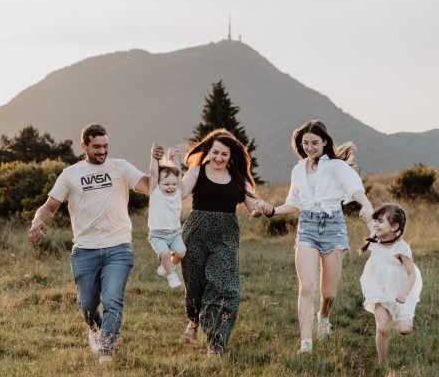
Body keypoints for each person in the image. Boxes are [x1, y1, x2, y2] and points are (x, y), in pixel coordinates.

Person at [29, 123, 152, 364]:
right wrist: (37, 221)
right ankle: (95, 329)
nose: (102, 151)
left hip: (118, 247)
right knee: (87, 305)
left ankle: (107, 347)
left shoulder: (120, 168)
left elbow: (149, 185)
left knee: (113, 298)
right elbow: (50, 206)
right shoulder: (71, 174)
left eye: (105, 146)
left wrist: (158, 163)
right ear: (84, 145)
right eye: (96, 147)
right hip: (85, 250)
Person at [258, 120, 374, 354]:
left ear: (324, 142)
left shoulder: (337, 167)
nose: (310, 147)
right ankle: (306, 342)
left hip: (333, 226)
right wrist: (272, 211)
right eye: (305, 143)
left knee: (328, 293)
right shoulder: (298, 170)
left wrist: (367, 205)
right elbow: (293, 203)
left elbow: (355, 189)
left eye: (314, 142)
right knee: (306, 286)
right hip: (308, 227)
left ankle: (323, 317)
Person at [178, 128, 263, 356]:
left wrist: (260, 209)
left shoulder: (238, 178)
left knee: (224, 286)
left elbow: (252, 206)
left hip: (226, 235)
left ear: (231, 156)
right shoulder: (196, 171)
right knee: (195, 284)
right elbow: (181, 192)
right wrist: (165, 172)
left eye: (224, 154)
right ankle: (194, 320)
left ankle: (216, 343)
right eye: (215, 152)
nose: (218, 158)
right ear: (209, 151)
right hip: (196, 232)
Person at [359, 203, 421, 365]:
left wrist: (405, 293)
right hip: (377, 290)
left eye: (381, 221)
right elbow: (368, 217)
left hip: (400, 291)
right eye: (376, 221)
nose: (376, 224)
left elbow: (412, 273)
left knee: (404, 330)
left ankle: (400, 316)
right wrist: (365, 211)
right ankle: (382, 361)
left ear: (394, 227)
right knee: (383, 328)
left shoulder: (401, 248)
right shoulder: (375, 238)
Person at [147, 144, 185, 289]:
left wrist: (176, 159)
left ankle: (168, 266)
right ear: (158, 184)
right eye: (166, 184)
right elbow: (153, 172)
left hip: (175, 233)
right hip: (157, 234)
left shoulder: (178, 192)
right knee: (164, 254)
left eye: (173, 184)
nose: (171, 187)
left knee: (181, 253)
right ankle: (171, 276)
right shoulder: (155, 192)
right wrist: (154, 157)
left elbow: (179, 173)